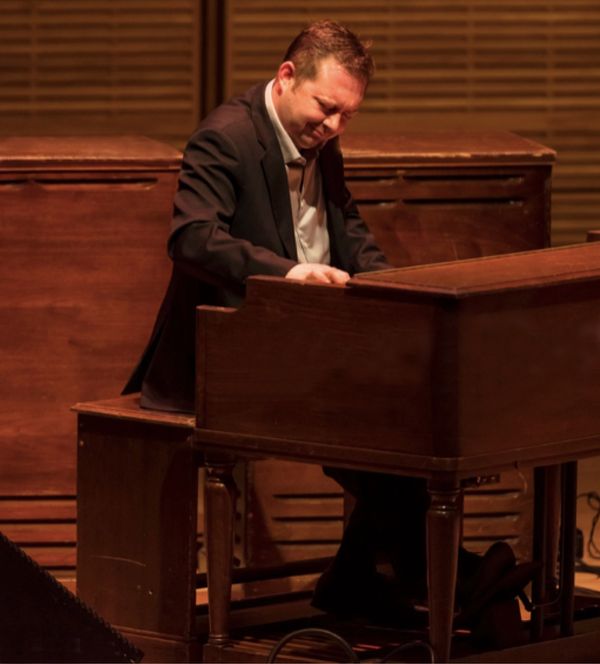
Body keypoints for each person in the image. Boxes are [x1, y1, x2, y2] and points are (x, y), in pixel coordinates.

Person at [123, 20, 529, 630]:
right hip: (227, 354)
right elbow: (192, 237)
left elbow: (349, 230)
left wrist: (397, 291)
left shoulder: (319, 138)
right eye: (326, 107)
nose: (335, 125)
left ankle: (373, 574)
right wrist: (289, 273)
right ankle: (410, 572)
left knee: (409, 400)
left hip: (305, 343)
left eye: (348, 115)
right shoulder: (225, 137)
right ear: (287, 76)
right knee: (384, 415)